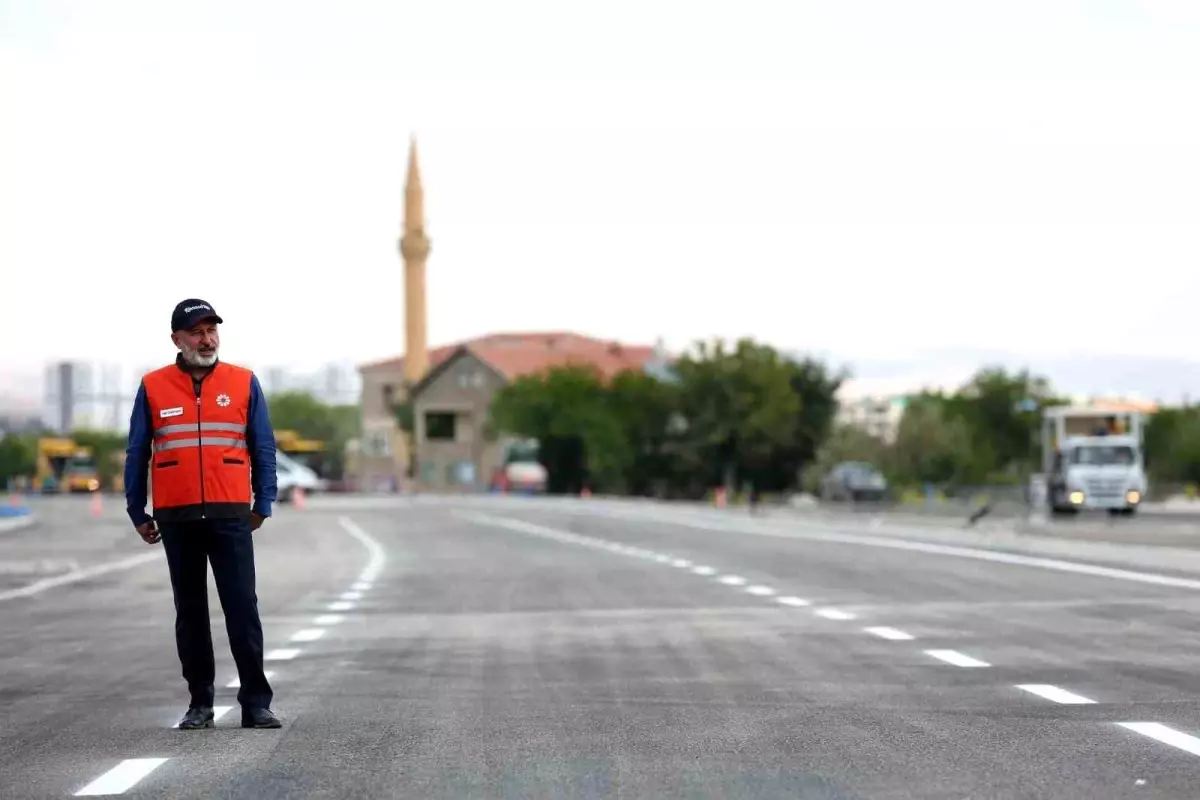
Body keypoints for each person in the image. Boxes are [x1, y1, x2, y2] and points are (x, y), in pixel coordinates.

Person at [124, 298, 282, 730]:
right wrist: (136, 508)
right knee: (190, 613)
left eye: (212, 330)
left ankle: (256, 703)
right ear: (177, 338)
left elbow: (263, 446)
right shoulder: (153, 387)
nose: (206, 338)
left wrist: (263, 502)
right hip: (176, 516)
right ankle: (200, 703)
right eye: (196, 331)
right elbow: (138, 451)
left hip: (231, 514)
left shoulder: (243, 382)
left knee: (242, 609)